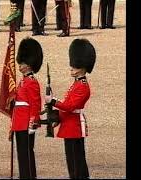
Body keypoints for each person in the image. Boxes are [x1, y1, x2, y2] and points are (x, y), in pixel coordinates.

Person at [45, 38, 96, 179]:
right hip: (69, 124)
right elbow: (67, 104)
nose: (71, 68)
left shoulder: (83, 86)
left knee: (76, 160)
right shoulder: (76, 84)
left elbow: (70, 106)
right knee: (72, 160)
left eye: (74, 67)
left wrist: (53, 101)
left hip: (74, 126)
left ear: (82, 67)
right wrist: (57, 118)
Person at [11, 37, 43, 179]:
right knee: (22, 153)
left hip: (26, 123)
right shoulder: (23, 81)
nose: (20, 66)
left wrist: (33, 123)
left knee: (27, 153)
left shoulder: (31, 82)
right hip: (19, 122)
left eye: (23, 63)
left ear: (29, 64)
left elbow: (35, 104)